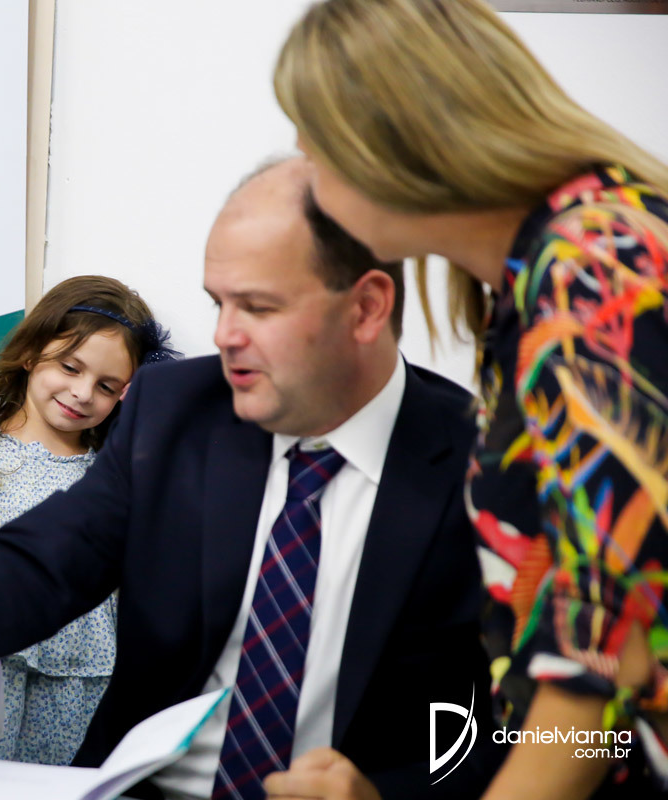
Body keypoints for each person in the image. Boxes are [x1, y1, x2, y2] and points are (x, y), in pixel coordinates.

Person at [0, 156, 501, 799]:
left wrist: (389, 795)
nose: (224, 336)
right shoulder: (179, 410)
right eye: (217, 304)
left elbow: (529, 730)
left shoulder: (485, 467)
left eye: (258, 308)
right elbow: (41, 561)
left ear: (366, 309)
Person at [272, 0, 668, 797]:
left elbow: (606, 653)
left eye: (313, 141)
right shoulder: (535, 280)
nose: (304, 169)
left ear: (388, 142)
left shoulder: (592, 270)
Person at [0, 275, 176, 765]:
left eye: (106, 386)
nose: (83, 392)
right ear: (30, 353)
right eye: (70, 367)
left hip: (77, 687)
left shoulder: (113, 476)